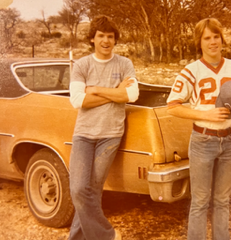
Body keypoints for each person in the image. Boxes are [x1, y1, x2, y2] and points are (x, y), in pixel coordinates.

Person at [166, 18, 231, 240]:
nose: (213, 42)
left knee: (223, 200)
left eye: (216, 36)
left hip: (230, 139)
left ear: (222, 39)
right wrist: (205, 114)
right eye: (207, 38)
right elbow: (172, 107)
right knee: (200, 201)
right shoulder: (191, 71)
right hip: (203, 140)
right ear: (199, 42)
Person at [68, 15, 139, 240]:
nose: (106, 41)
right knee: (79, 190)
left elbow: (132, 95)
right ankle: (107, 235)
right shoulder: (82, 64)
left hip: (110, 135)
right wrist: (115, 93)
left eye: (110, 36)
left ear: (115, 40)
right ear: (92, 39)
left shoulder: (124, 63)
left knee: (92, 192)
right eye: (101, 36)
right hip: (83, 135)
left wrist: (96, 90)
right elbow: (78, 101)